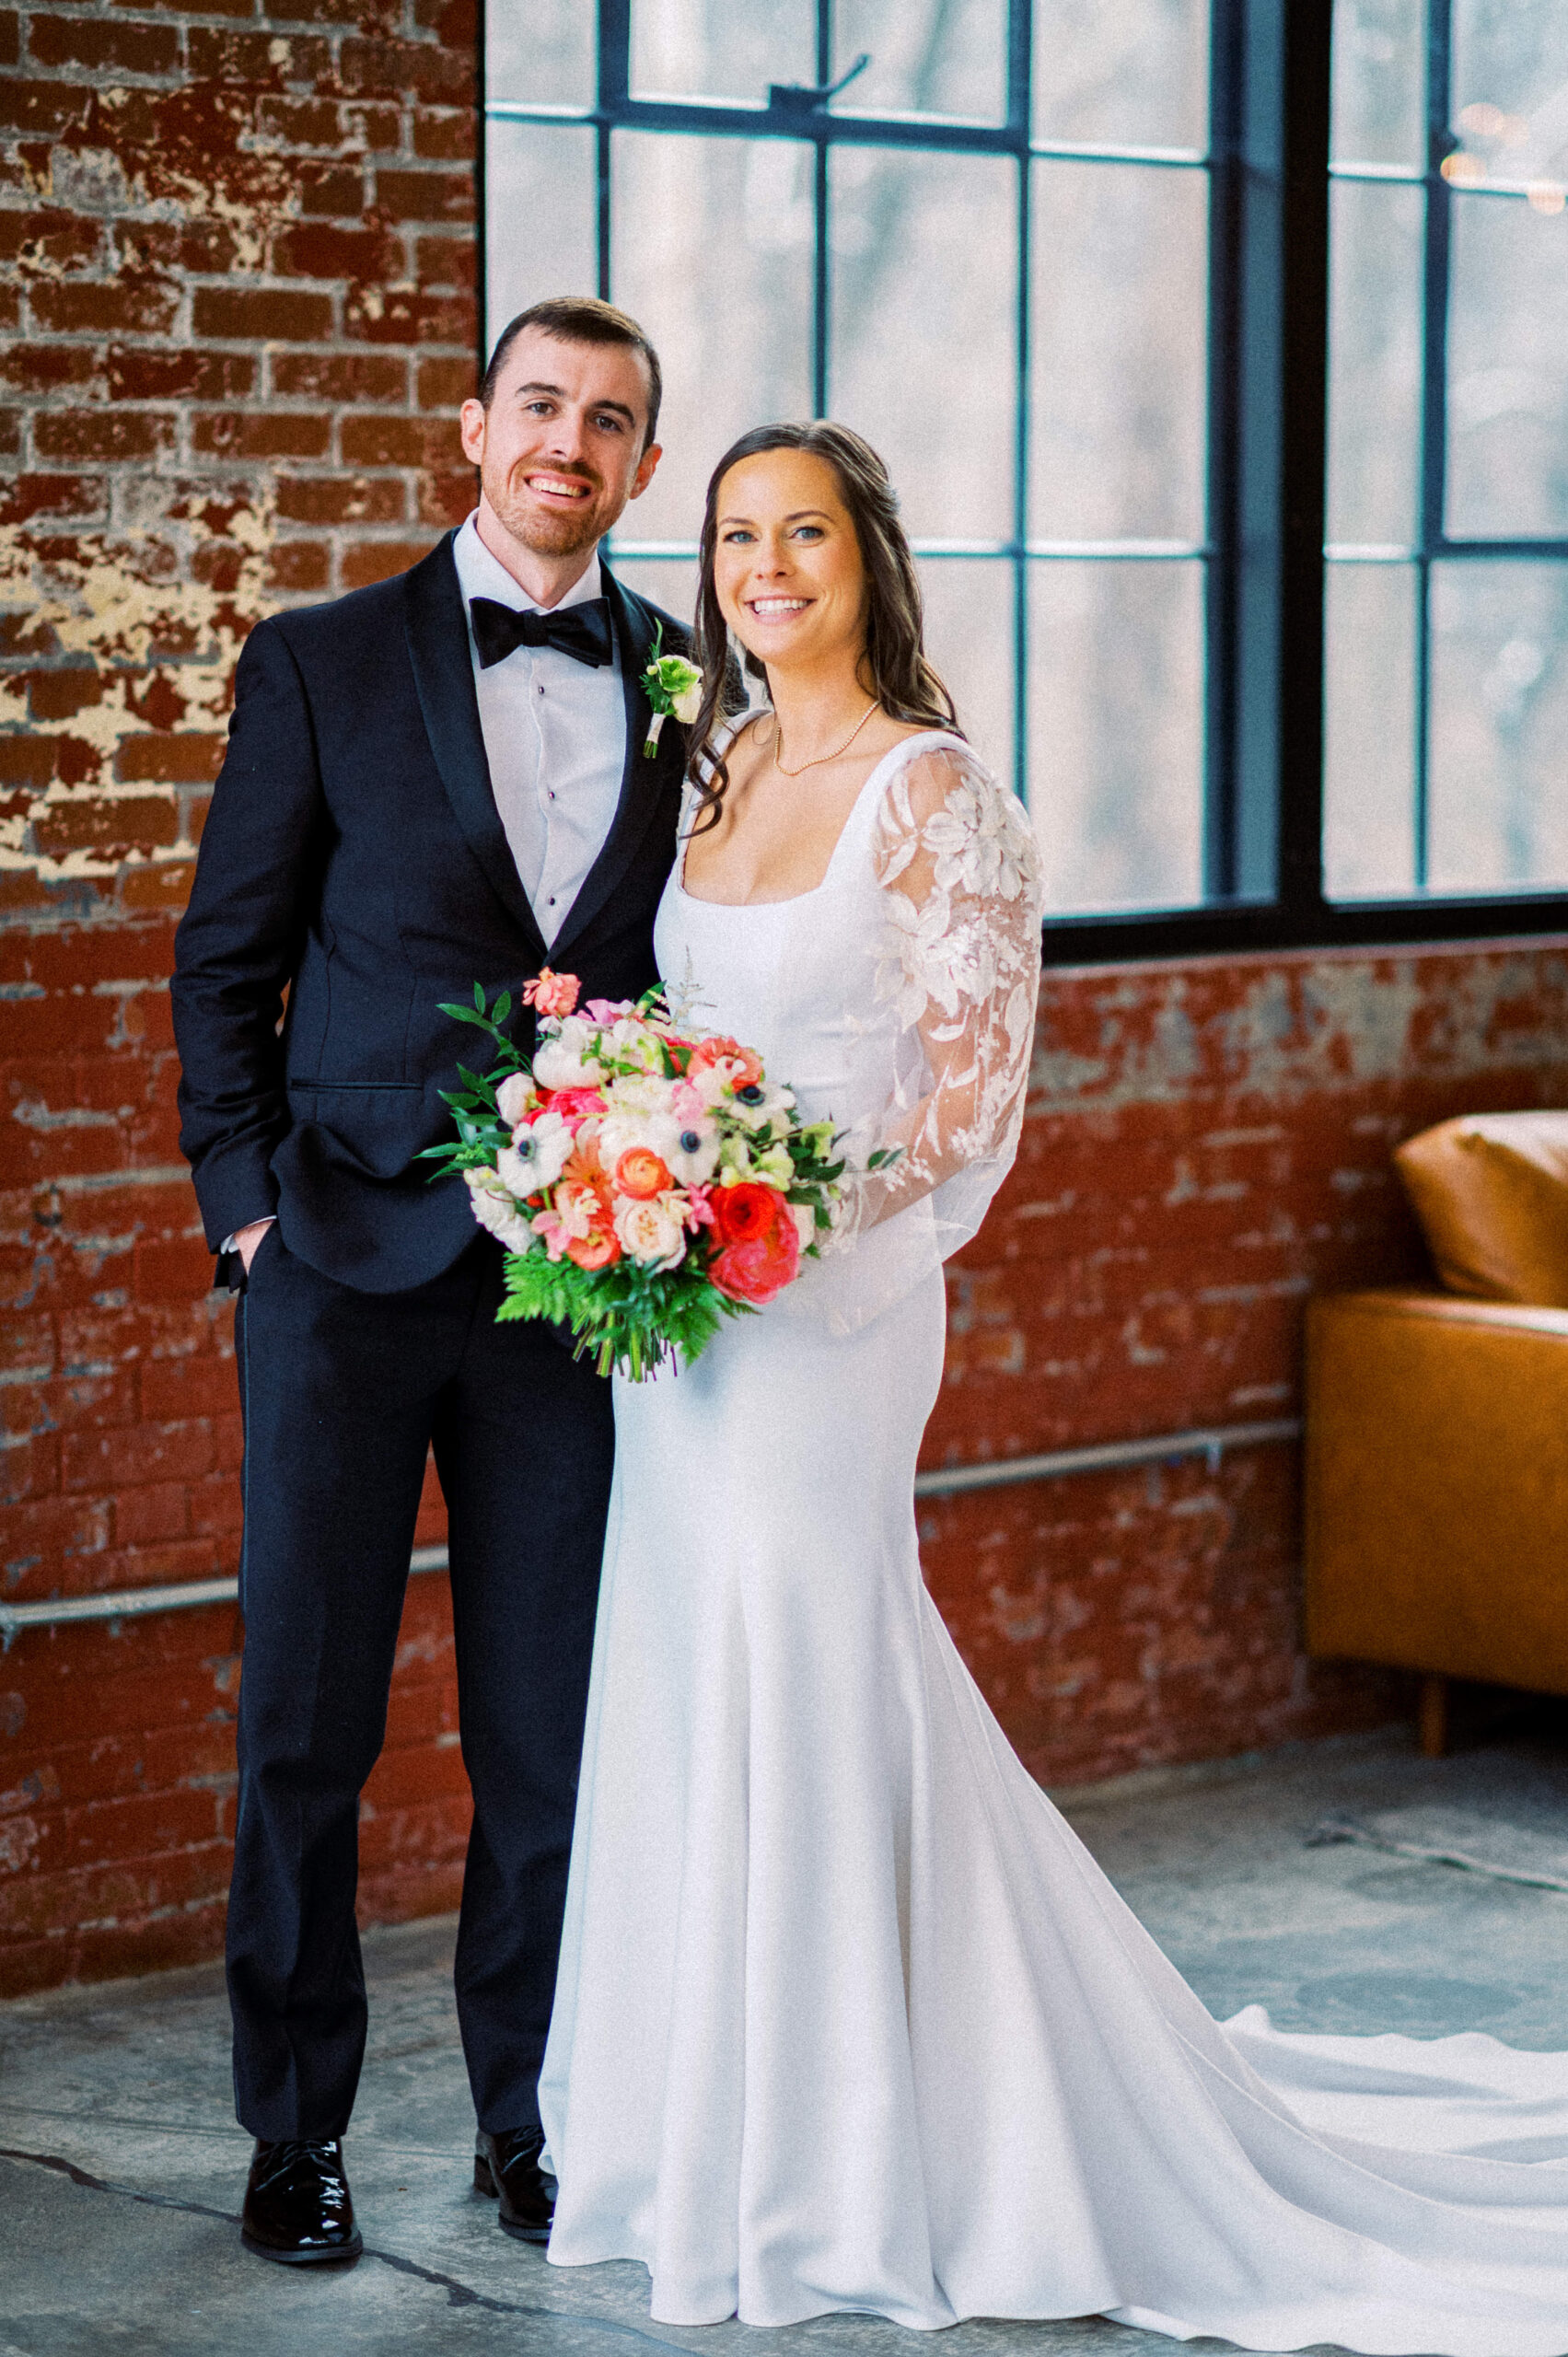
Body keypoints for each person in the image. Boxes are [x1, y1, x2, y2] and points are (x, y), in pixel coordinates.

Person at [536, 422, 1568, 2351]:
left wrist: (769, 1205)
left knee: (815, 1647)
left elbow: (969, 1095)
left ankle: (847, 2156)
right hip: (674, 1315)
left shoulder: (939, 791)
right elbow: (666, 1028)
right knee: (689, 1657)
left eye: (807, 534)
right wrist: (627, 1169)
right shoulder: (716, 761)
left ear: (870, 557)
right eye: (738, 535)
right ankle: (708, 2131)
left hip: (825, 1309)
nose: (768, 568)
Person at [170, 296, 688, 2265]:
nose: (571, 441)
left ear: (642, 460)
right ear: (473, 427)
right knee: (307, 1721)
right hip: (342, 1262)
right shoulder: (318, 664)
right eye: (541, 403)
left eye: (613, 419)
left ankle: (535, 2115)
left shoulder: (677, 681)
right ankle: (292, 2134)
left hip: (577, 1292)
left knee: (552, 1728)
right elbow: (225, 961)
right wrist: (246, 1213)